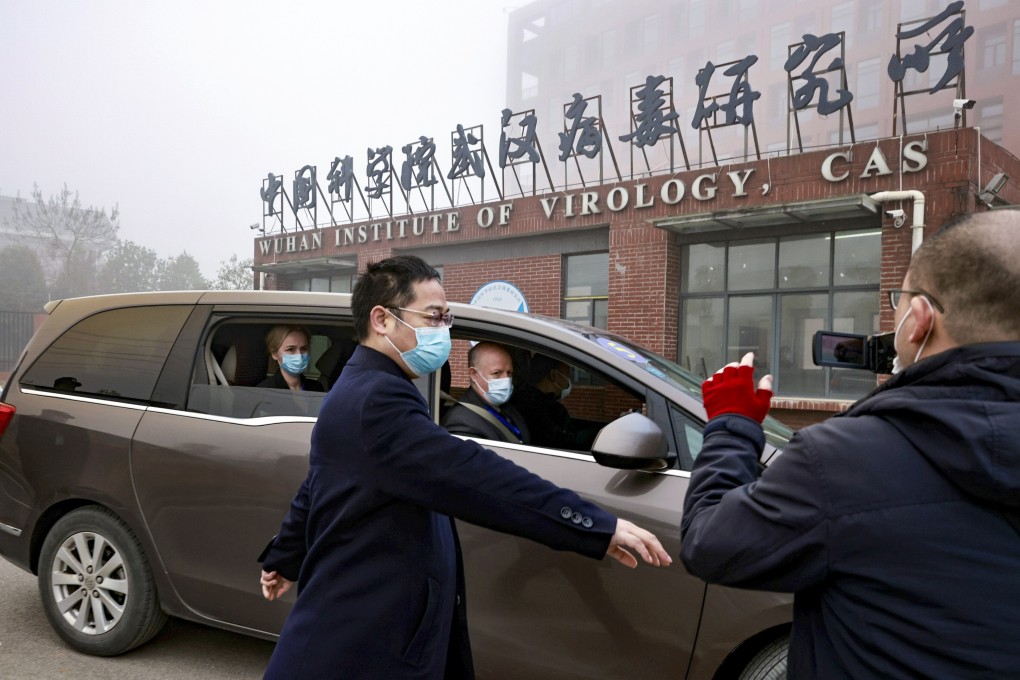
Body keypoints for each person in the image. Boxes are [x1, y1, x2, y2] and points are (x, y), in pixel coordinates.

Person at [259, 255, 671, 680]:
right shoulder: (377, 400)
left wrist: (286, 556)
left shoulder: (367, 384)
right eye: (433, 317)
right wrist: (594, 524)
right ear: (382, 319)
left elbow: (319, 480)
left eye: (446, 317)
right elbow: (472, 473)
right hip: (365, 633)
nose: (444, 331)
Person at [679, 211, 1020, 678]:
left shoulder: (845, 461)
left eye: (897, 301)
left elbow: (709, 543)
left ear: (919, 318)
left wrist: (731, 426)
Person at [441, 341, 530, 444]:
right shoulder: (461, 422)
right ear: (474, 374)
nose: (506, 379)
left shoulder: (508, 408)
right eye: (497, 373)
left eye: (509, 373)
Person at [257, 325, 323, 392]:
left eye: (304, 349)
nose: (299, 355)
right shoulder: (266, 389)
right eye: (290, 349)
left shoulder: (316, 387)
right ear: (274, 354)